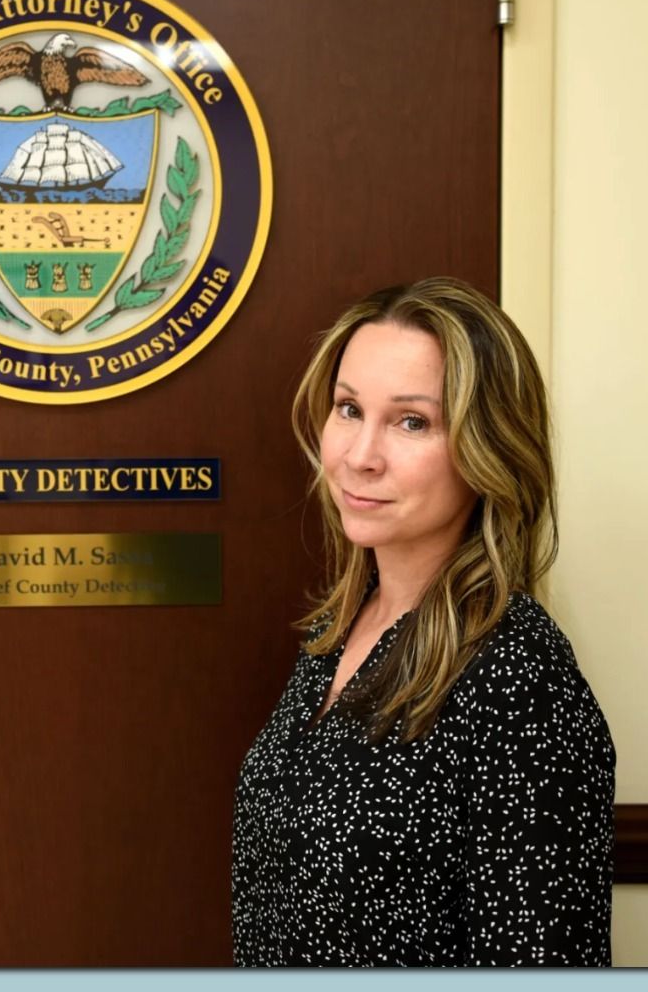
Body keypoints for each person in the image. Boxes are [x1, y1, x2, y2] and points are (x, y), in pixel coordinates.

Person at [232, 277, 616, 967]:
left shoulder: (520, 684)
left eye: (412, 421)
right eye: (349, 409)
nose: (360, 454)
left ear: (488, 451)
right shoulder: (343, 632)